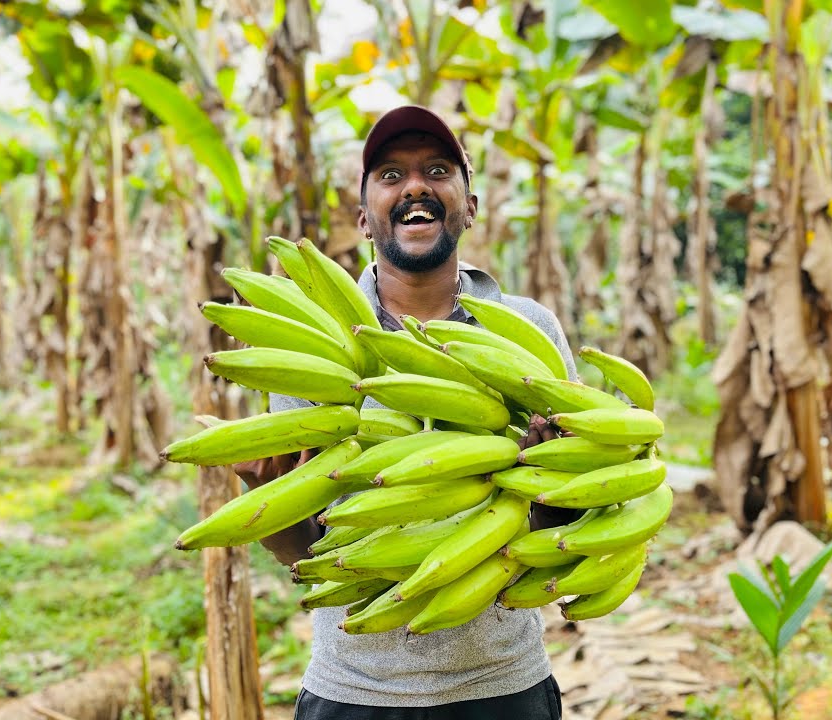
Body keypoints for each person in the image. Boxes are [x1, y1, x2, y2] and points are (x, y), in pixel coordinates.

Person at [235, 105, 578, 720]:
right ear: (364, 218)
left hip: (502, 685)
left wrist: (553, 475)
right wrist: (269, 511)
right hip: (355, 689)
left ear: (470, 206)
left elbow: (559, 529)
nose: (415, 186)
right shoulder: (316, 347)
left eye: (438, 170)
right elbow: (311, 553)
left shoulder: (528, 331)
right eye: (391, 175)